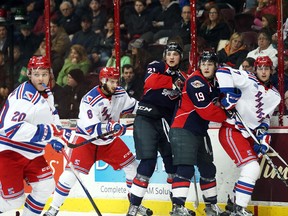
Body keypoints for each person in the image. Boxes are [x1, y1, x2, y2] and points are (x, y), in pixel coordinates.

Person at [44, 67, 152, 216]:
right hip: (87, 141)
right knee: (69, 176)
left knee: (133, 169)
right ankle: (53, 208)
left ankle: (134, 204)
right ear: (103, 81)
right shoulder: (90, 100)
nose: (115, 85)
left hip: (109, 142)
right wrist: (112, 126)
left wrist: (153, 111)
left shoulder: (120, 93)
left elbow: (135, 106)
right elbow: (91, 129)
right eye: (112, 82)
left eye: (116, 81)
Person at [0, 56, 71, 215]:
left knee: (46, 185)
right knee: (13, 201)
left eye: (44, 74)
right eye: (37, 74)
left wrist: (55, 138)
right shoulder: (23, 97)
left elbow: (52, 115)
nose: (41, 78)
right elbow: (11, 128)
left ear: (50, 75)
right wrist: (49, 132)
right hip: (11, 153)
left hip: (32, 154)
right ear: (29, 74)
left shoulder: (46, 93)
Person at [126, 42, 187, 215]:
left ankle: (177, 207)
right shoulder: (156, 66)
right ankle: (134, 208)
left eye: (175, 54)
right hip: (146, 119)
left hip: (167, 124)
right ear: (165, 56)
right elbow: (151, 82)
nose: (172, 57)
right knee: (148, 163)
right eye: (169, 54)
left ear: (180, 57)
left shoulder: (185, 76)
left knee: (173, 165)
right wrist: (174, 81)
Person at [216, 56, 281, 216]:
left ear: (271, 71)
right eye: (260, 68)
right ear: (255, 69)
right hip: (232, 129)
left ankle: (234, 203)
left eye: (267, 68)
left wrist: (262, 133)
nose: (263, 72)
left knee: (251, 170)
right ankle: (239, 209)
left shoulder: (275, 95)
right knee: (252, 167)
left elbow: (265, 117)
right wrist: (228, 94)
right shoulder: (247, 78)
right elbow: (222, 71)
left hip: (249, 134)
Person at [169, 51, 229, 216]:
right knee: (186, 169)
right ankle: (178, 208)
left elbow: (222, 98)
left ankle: (211, 207)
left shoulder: (215, 83)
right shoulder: (196, 81)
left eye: (210, 64)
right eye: (203, 64)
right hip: (184, 129)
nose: (206, 67)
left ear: (216, 66)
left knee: (208, 169)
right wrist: (226, 115)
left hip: (200, 131)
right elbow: (206, 111)